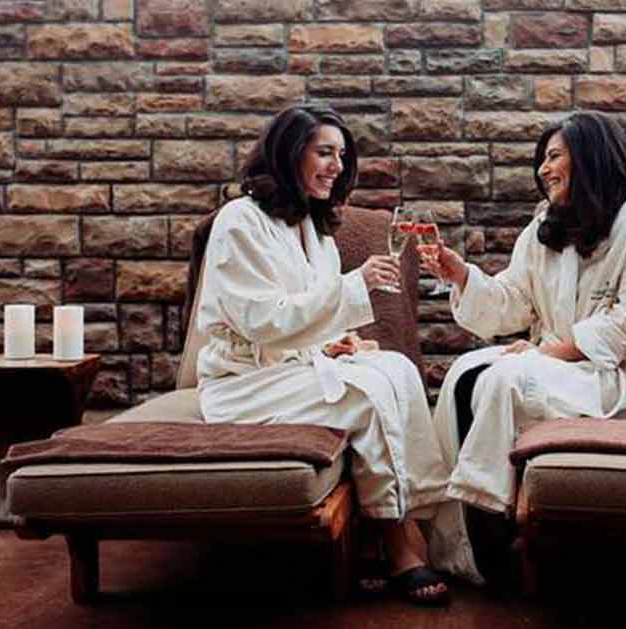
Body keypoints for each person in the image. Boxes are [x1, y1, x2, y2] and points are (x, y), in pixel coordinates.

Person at [193, 103, 460, 605]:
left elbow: (304, 321)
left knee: (396, 370)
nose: (336, 166)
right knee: (365, 392)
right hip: (242, 387)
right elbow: (261, 321)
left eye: (341, 154)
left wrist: (334, 343)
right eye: (324, 152)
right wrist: (352, 289)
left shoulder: (314, 231)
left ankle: (414, 521)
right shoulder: (239, 222)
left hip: (290, 370)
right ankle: (397, 543)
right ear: (289, 153)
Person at [420, 111, 626, 536]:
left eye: (554, 156)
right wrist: (462, 276)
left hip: (611, 377)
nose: (543, 170)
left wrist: (547, 352)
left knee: (503, 381)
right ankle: (448, 519)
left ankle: (488, 519)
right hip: (550, 362)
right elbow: (513, 301)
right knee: (462, 374)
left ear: (591, 158)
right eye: (542, 159)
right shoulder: (545, 227)